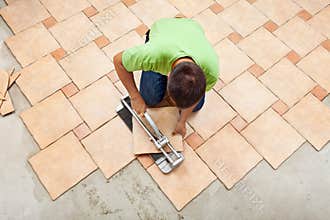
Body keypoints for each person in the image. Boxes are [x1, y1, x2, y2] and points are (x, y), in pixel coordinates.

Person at [113, 17, 219, 137]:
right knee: (149, 99)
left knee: (196, 106)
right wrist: (135, 97)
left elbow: (193, 100)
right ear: (167, 74)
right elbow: (118, 61)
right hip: (164, 29)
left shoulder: (211, 72)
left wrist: (182, 121)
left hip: (190, 29)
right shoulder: (153, 54)